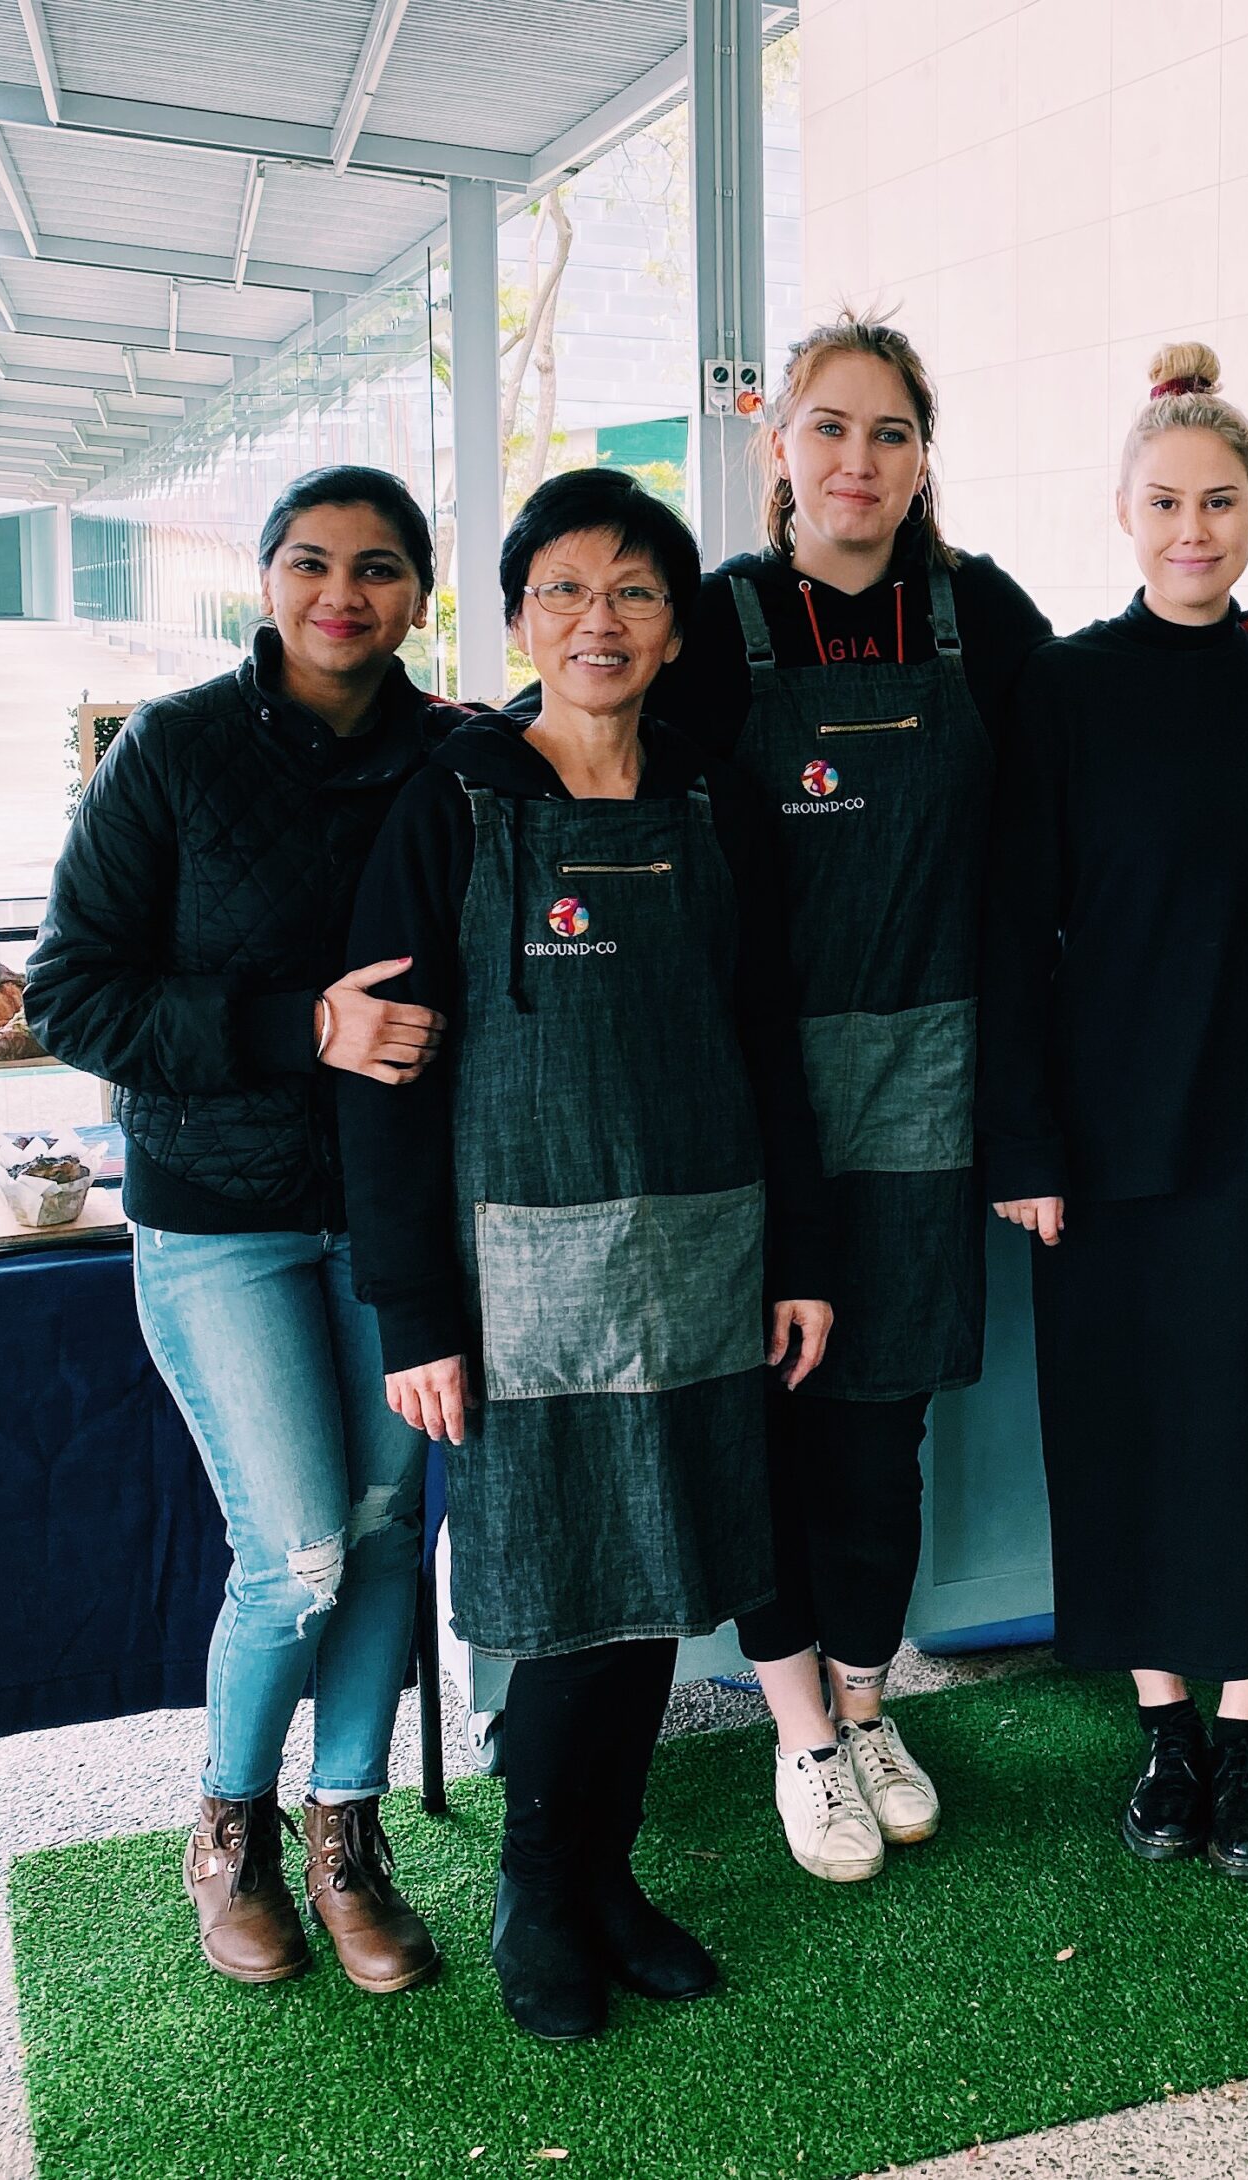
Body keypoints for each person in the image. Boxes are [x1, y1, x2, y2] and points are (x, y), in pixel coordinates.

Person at [651, 310, 1248, 1883]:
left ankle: (872, 1700)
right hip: (749, 1086)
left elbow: (1144, 726)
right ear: (779, 450)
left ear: (923, 459)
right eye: (830, 429)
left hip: (925, 1084)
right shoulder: (715, 625)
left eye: (890, 434)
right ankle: (802, 1737)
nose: (859, 461)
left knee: (879, 1422)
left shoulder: (985, 618)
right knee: (771, 1422)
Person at [338, 468, 834, 2039]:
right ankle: (537, 1893)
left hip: (700, 1247)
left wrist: (799, 1257)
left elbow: (769, 1042)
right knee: (564, 1590)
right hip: (516, 1277)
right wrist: (414, 1311)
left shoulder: (713, 799)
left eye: (630, 592)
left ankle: (610, 1877)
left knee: (657, 1577)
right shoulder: (458, 798)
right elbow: (387, 1075)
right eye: (562, 590)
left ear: (676, 627)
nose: (596, 621)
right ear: (518, 617)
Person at [23, 466, 453, 1994]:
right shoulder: (175, 748)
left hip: (398, 1223)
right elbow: (71, 992)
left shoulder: (454, 752)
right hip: (219, 1222)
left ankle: (350, 1835)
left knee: (396, 1530)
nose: (347, 592)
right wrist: (298, 1029)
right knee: (300, 1550)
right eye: (314, 562)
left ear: (420, 593)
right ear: (266, 580)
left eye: (382, 568)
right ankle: (232, 1829)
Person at [980, 342, 1248, 1881]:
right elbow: (1009, 926)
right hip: (1112, 1134)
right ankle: (1163, 1733)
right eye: (1165, 503)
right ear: (1122, 513)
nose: (1192, 528)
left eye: (1220, 501)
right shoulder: (1064, 687)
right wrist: (1026, 1143)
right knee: (1126, 1427)